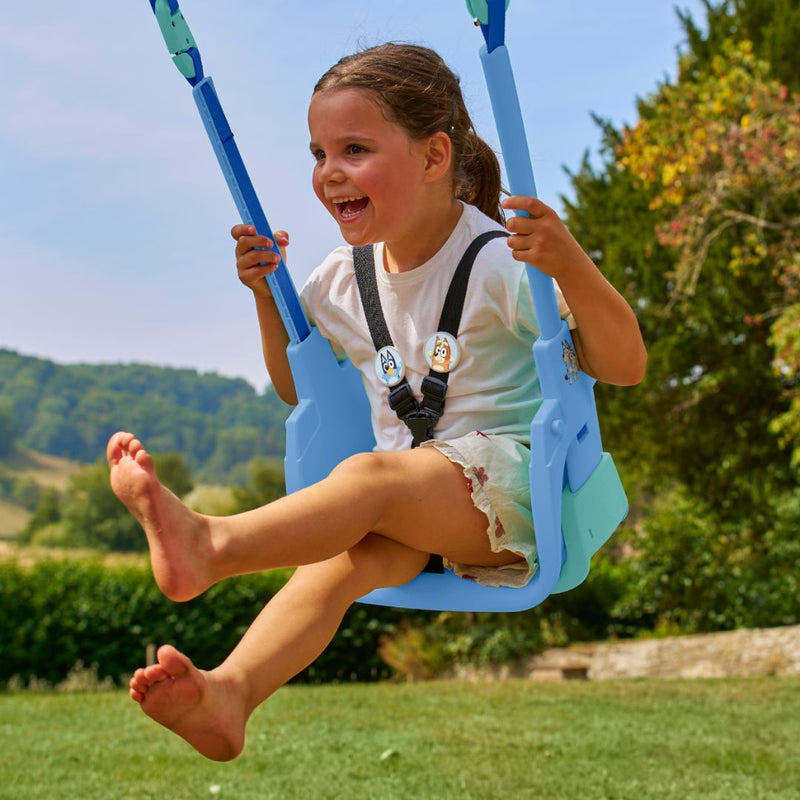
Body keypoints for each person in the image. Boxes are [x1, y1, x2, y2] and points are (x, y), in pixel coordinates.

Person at [109, 43, 646, 761]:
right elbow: (299, 387)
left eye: (355, 149)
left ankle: (212, 545)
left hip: (515, 496)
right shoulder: (339, 278)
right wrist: (267, 302)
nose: (330, 173)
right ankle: (230, 694)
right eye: (319, 153)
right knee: (342, 561)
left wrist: (568, 263)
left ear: (433, 158)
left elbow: (626, 365)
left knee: (368, 480)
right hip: (416, 501)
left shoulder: (495, 263)